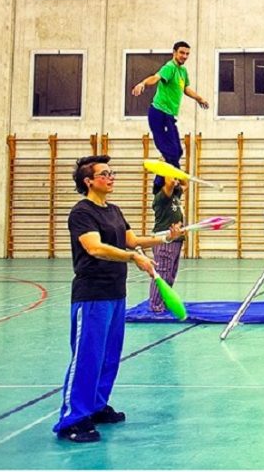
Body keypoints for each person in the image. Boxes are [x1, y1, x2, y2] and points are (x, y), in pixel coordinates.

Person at [54, 155, 182, 443]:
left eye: (112, 173)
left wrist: (167, 238)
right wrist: (133, 258)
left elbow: (132, 240)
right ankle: (73, 420)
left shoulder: (113, 210)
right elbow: (95, 248)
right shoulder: (82, 212)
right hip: (92, 294)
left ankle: (96, 407)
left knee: (109, 355)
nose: (111, 178)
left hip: (116, 292)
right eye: (105, 174)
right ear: (89, 181)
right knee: (87, 357)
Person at [130, 41, 209, 191]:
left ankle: (162, 180)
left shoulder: (182, 71)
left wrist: (199, 98)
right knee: (170, 152)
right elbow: (156, 77)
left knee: (177, 151)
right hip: (159, 114)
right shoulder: (169, 67)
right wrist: (143, 83)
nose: (184, 56)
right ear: (174, 52)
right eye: (182, 53)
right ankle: (165, 184)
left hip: (169, 117)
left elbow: (185, 88)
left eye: (187, 54)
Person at [149, 175, 185, 314]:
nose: (176, 181)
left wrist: (179, 173)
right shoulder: (163, 197)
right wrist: (169, 167)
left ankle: (164, 302)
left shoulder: (175, 196)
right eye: (174, 179)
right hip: (164, 240)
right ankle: (156, 306)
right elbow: (169, 182)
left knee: (170, 275)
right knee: (163, 274)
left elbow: (185, 183)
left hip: (176, 239)